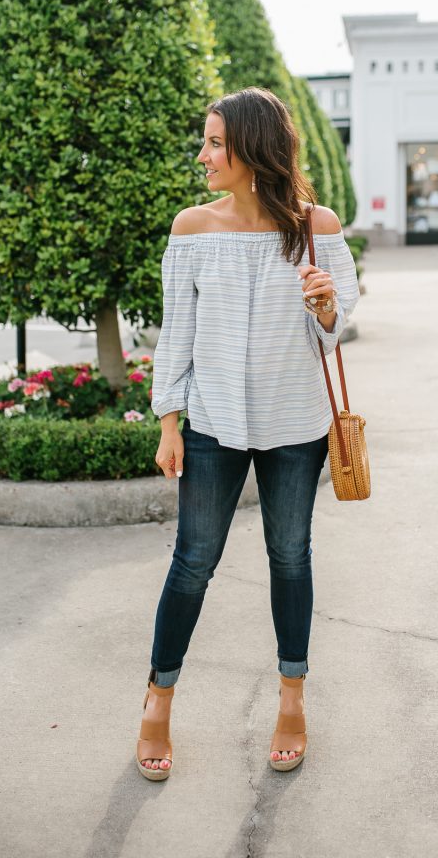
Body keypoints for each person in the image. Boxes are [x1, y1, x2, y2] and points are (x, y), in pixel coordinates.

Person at [136, 86, 360, 781]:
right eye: (204, 141)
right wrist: (169, 421)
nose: (202, 155)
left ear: (253, 150)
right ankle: (156, 703)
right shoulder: (192, 228)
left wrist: (324, 308)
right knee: (192, 563)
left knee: (290, 557)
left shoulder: (315, 225)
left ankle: (292, 699)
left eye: (214, 143)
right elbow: (178, 334)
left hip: (296, 427)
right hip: (214, 426)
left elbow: (335, 327)